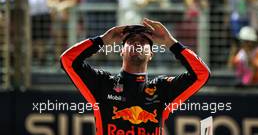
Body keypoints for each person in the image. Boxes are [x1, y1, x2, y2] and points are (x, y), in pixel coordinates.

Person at [60, 18, 210, 135]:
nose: (137, 44)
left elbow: (201, 74)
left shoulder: (162, 89)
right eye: (131, 41)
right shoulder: (102, 84)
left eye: (144, 42)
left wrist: (170, 42)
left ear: (151, 54)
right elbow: (68, 60)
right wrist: (103, 40)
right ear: (121, 51)